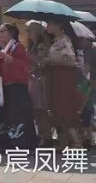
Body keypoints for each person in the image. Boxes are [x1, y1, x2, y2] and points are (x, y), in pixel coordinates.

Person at [0, 23, 36, 151]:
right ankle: (9, 142)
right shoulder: (6, 47)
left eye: (2, 31)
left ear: (11, 33)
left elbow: (24, 64)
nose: (0, 34)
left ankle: (23, 143)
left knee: (20, 116)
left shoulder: (18, 47)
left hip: (18, 85)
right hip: (7, 86)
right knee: (9, 116)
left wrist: (8, 58)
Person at [43, 18, 83, 148]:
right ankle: (64, 142)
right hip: (56, 76)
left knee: (65, 108)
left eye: (49, 24)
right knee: (57, 109)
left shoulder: (65, 41)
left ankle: (77, 142)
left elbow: (71, 61)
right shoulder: (55, 41)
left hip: (64, 78)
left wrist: (52, 61)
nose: (47, 26)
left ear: (58, 25)